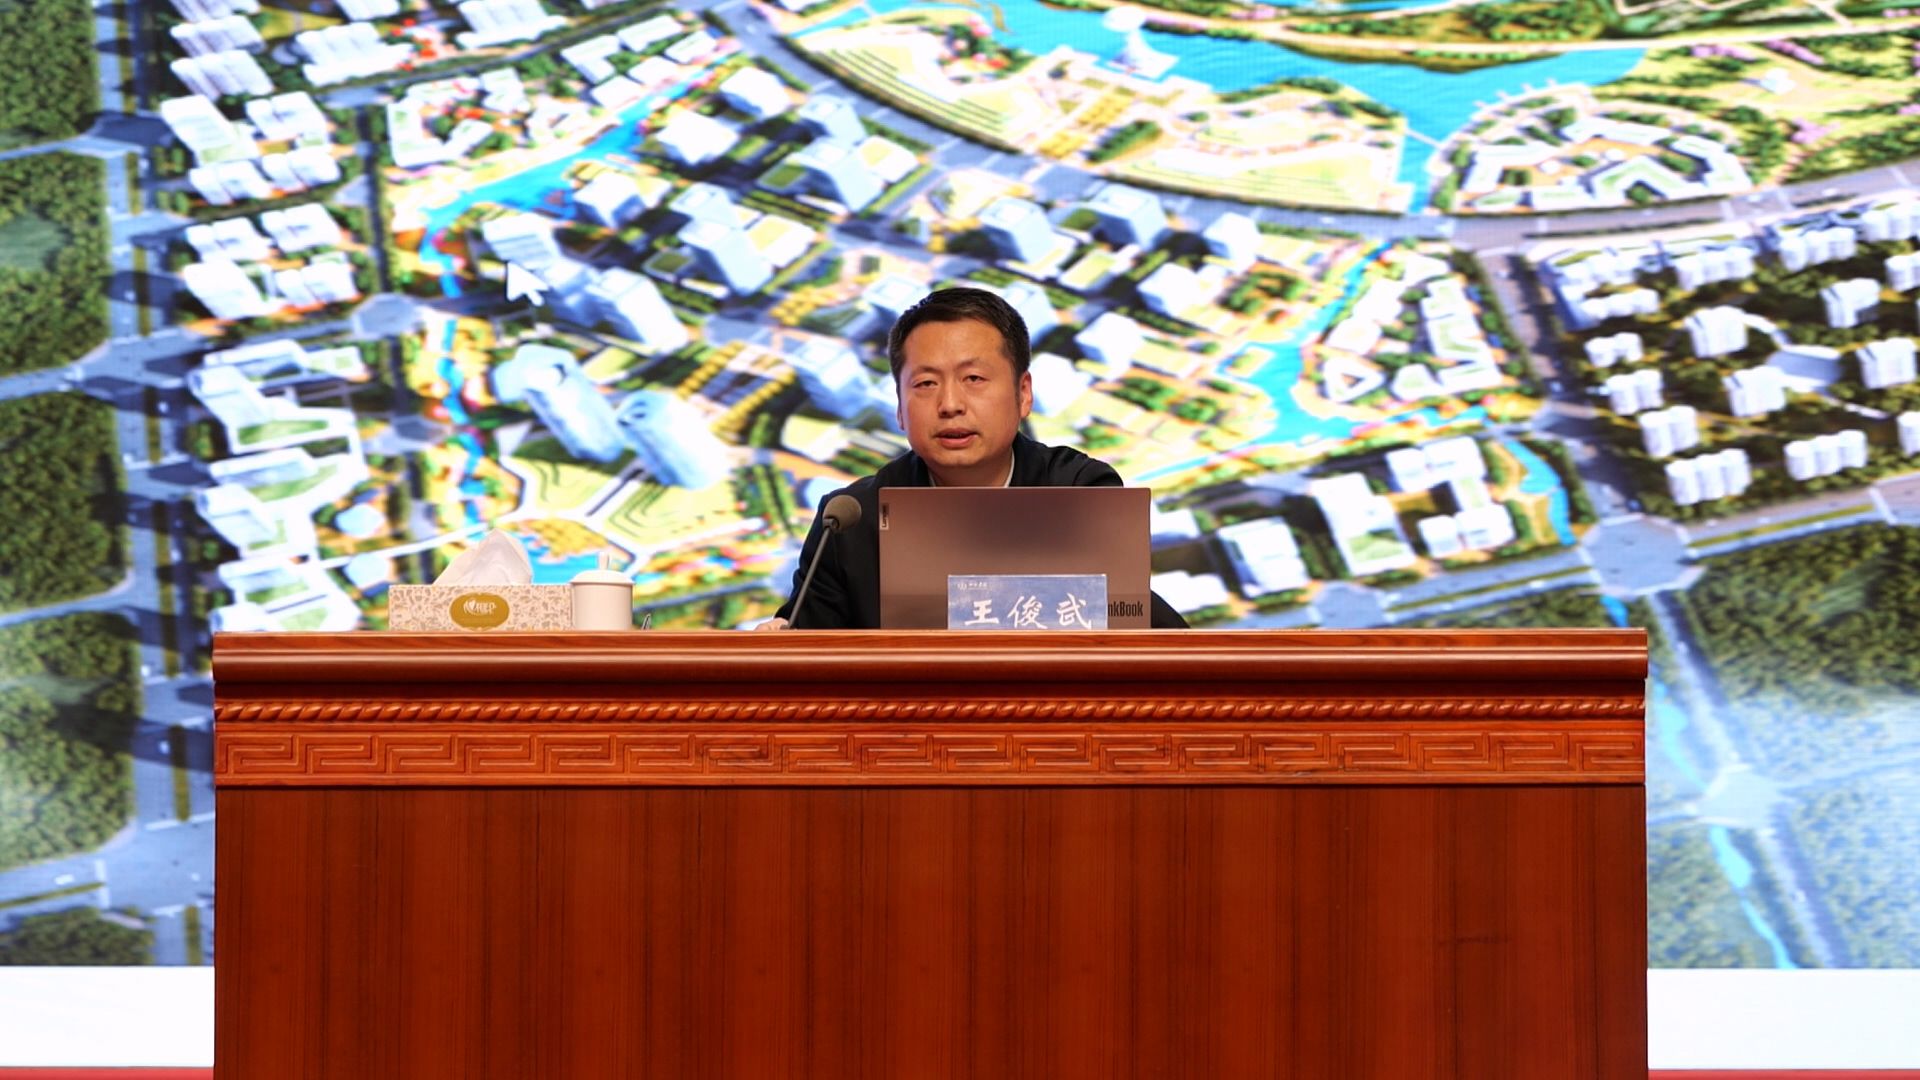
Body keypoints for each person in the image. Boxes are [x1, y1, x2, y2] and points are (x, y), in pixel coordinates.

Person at [758, 286, 1187, 630]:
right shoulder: (851, 520)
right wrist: (780, 644)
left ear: (1023, 394)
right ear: (900, 408)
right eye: (926, 384)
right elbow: (809, 652)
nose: (950, 404)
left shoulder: (1078, 492)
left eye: (974, 378)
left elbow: (1130, 634)